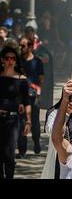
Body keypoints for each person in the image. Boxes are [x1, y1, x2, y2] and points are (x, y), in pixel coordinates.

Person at [0, 46, 30, 178]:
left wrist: (28, 121)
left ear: (16, 60)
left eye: (13, 58)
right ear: (2, 60)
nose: (10, 61)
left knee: (9, 154)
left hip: (12, 120)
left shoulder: (21, 79)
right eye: (7, 58)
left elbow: (27, 101)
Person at [17, 36, 44, 156]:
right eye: (20, 45)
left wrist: (39, 92)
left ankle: (36, 141)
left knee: (34, 121)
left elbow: (41, 78)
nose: (21, 48)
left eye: (23, 46)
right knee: (22, 122)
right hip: (21, 96)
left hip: (33, 95)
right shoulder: (17, 61)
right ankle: (22, 150)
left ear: (29, 47)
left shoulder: (37, 61)